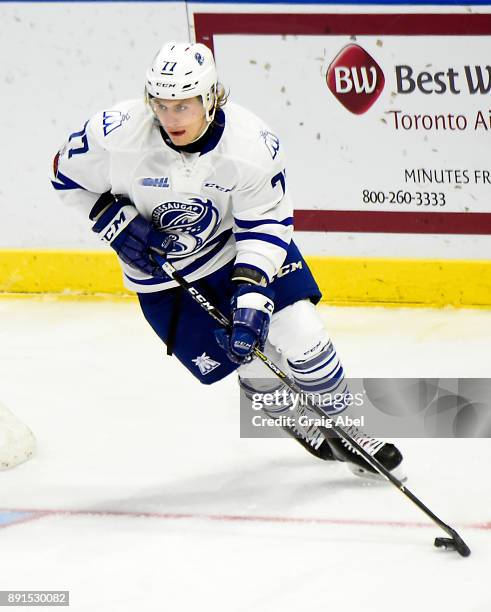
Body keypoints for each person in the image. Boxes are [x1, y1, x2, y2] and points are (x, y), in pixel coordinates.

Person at [51, 41, 404, 479]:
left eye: (182, 106)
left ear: (210, 97)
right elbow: (64, 176)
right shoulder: (116, 132)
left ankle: (348, 428)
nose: (169, 118)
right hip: (166, 276)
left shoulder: (250, 144)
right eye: (160, 105)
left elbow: (267, 222)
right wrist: (113, 219)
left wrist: (253, 290)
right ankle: (293, 417)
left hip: (235, 247)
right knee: (248, 359)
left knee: (300, 330)